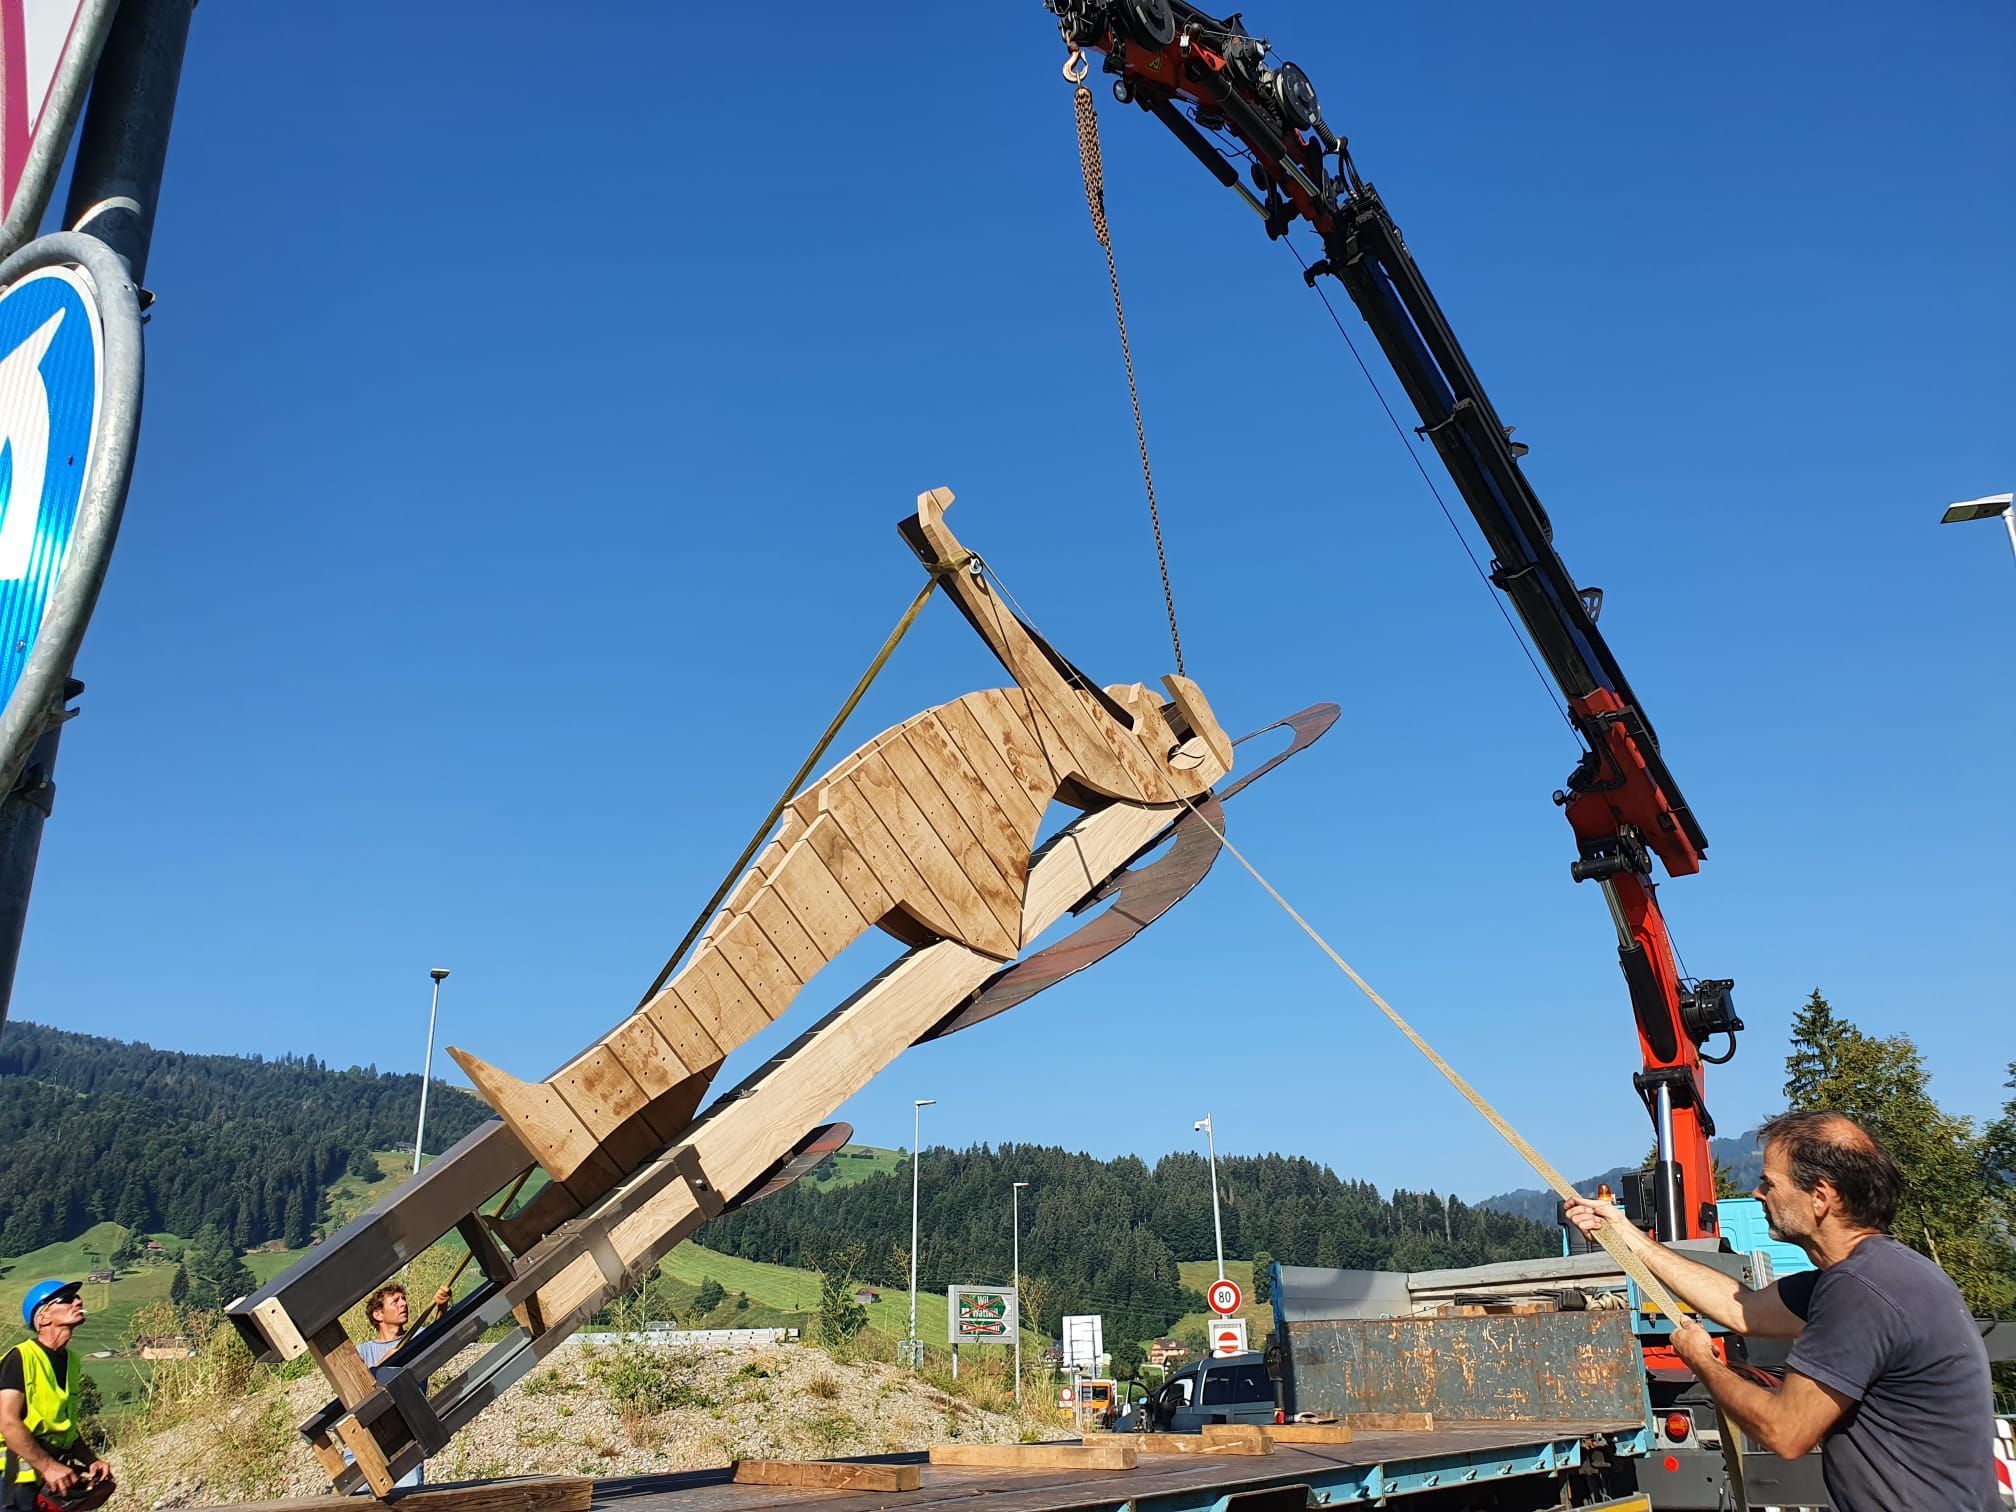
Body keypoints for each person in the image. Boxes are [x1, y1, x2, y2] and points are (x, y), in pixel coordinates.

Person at [1563, 1109, 1997, 1512]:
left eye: (1771, 1182)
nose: (1758, 1192)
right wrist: (1622, 1233)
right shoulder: (1875, 1273)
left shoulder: (1859, 1289)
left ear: (1820, 1198)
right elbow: (1741, 1308)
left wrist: (1703, 1363)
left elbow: (1785, 1432)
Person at [0, 1281, 113, 1511]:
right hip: (13, 1479)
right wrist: (48, 1466)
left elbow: (65, 1427)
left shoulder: (71, 1361)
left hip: (50, 1475)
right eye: (66, 1299)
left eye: (77, 1297)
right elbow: (7, 1421)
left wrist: (91, 1460)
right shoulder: (20, 1357)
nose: (78, 1301)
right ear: (42, 1318)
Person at [352, 1283, 452, 1491]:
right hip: (367, 1439)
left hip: (406, 1438)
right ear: (378, 1314)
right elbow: (357, 1392)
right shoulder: (362, 1353)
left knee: (406, 1499)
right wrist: (381, 1366)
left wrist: (442, 1307)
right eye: (395, 1301)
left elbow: (440, 1336)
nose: (403, 1304)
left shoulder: (417, 1339)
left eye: (403, 1299)